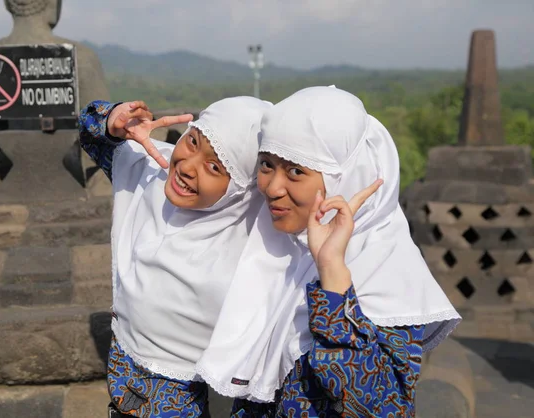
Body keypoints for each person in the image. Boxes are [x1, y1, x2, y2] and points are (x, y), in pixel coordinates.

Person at [195, 86, 462, 417]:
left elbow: (379, 406)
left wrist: (333, 276)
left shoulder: (387, 275)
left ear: (346, 177)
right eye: (266, 164)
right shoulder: (276, 249)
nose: (273, 188)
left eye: (296, 171)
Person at [78, 96, 272, 417]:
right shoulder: (154, 172)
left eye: (214, 166)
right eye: (192, 141)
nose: (187, 166)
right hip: (129, 379)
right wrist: (112, 123)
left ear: (241, 187)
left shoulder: (255, 242)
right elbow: (91, 133)